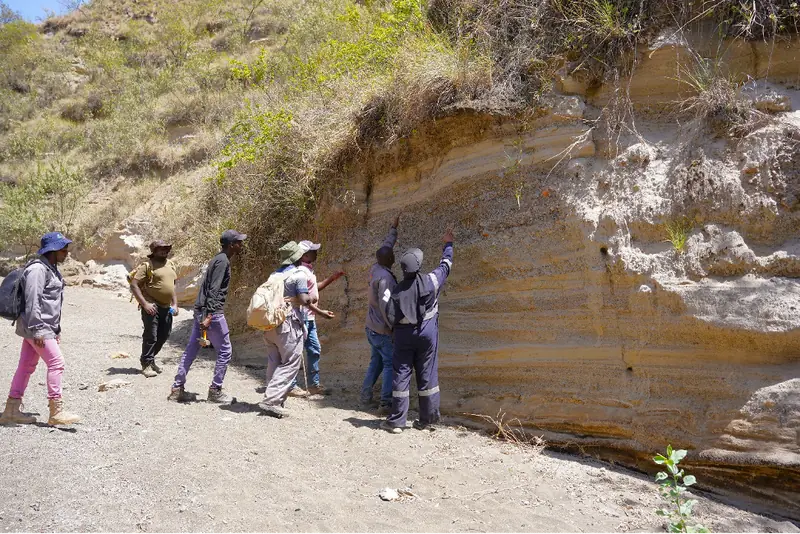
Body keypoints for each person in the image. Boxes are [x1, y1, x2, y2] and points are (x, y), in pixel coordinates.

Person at [0, 232, 80, 426]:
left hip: (41, 328)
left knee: (26, 366)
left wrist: (55, 330)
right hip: (37, 327)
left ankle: (11, 410)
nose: (66, 252)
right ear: (52, 250)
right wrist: (38, 330)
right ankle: (56, 412)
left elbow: (51, 303)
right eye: (63, 249)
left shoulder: (50, 268)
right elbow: (32, 301)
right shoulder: (37, 269)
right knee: (57, 363)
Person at [381, 228, 454, 434]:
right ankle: (428, 420)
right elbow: (446, 266)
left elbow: (389, 315)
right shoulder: (430, 281)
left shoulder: (396, 291)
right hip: (427, 334)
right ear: (419, 266)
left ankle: (397, 422)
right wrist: (448, 244)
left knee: (401, 375)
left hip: (403, 338)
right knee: (427, 375)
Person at [168, 230, 246, 404]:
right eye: (239, 242)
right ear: (231, 244)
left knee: (191, 349)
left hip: (200, 311)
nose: (241, 245)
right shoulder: (223, 261)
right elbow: (214, 290)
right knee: (225, 351)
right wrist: (210, 315)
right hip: (212, 313)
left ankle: (177, 388)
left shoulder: (218, 259)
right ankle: (215, 391)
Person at [259, 241, 335, 418]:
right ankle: (271, 401)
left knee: (274, 361)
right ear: (299, 257)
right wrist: (313, 301)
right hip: (287, 324)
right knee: (290, 362)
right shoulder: (298, 274)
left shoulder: (274, 274)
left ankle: (274, 399)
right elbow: (304, 299)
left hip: (270, 322)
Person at [287, 239, 343, 397]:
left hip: (308, 317)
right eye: (313, 250)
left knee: (312, 349)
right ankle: (294, 385)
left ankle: (312, 385)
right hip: (303, 317)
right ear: (304, 255)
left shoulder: (307, 270)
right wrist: (321, 312)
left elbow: (313, 288)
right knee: (298, 351)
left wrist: (332, 279)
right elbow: (303, 298)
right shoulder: (301, 272)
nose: (316, 252)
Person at [360, 215, 400, 415]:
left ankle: (365, 396)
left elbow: (385, 247)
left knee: (375, 361)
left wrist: (393, 229)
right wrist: (393, 326)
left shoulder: (375, 268)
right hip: (382, 329)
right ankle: (385, 403)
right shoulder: (385, 278)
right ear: (391, 261)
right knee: (389, 364)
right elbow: (386, 306)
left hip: (370, 328)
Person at [130, 240, 178, 378]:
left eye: (166, 248)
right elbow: (134, 285)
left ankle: (150, 360)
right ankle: (146, 364)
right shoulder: (147, 266)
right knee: (151, 336)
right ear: (154, 251)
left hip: (166, 307)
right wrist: (145, 304)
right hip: (152, 306)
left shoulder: (170, 264)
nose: (165, 251)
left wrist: (175, 304)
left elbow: (172, 286)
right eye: (161, 249)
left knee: (164, 335)